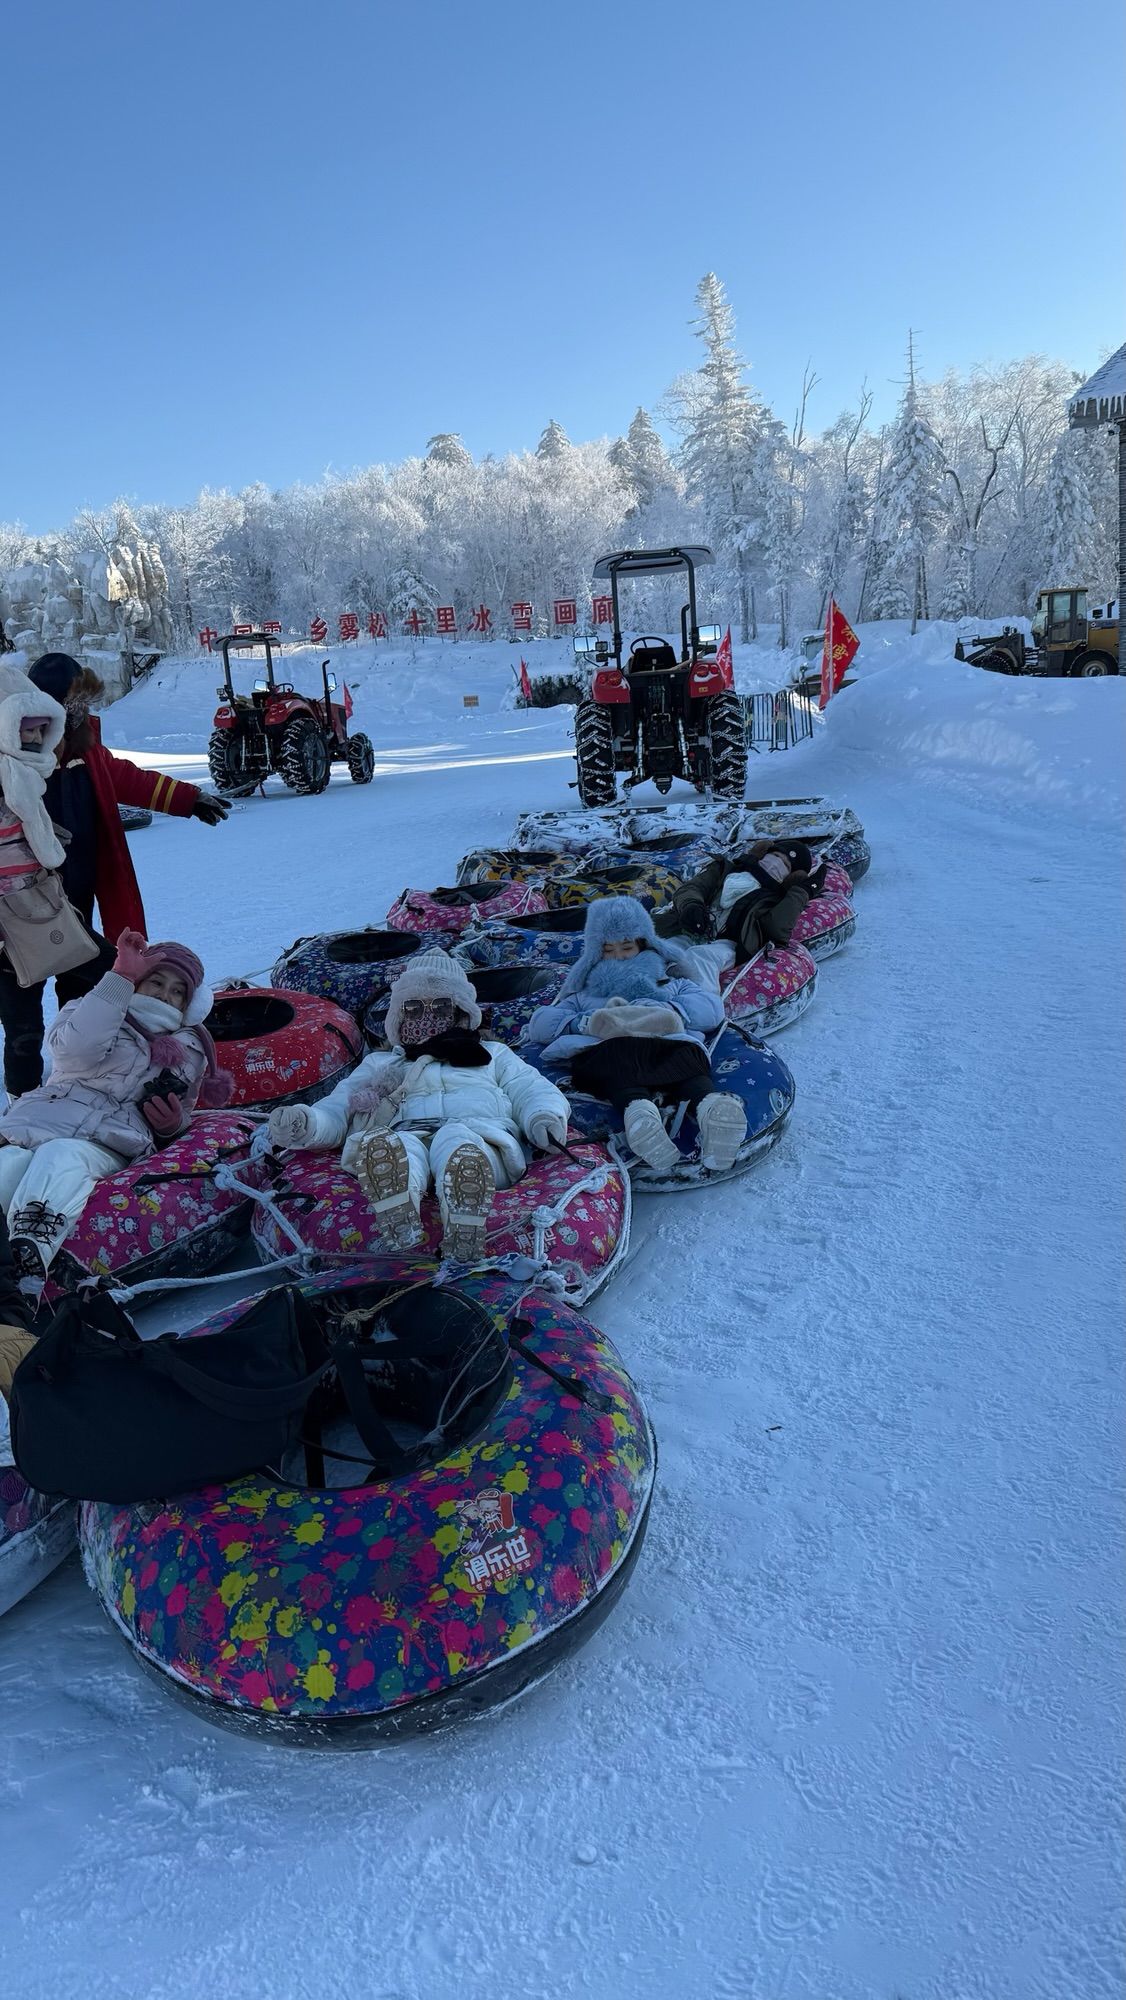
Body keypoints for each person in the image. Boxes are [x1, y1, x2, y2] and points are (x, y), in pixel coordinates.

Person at [0, 652, 230, 1101]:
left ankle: (75, 1082)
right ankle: (22, 1105)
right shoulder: (13, 765)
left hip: (74, 909)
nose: (76, 715)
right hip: (14, 920)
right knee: (23, 1025)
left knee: (86, 1002)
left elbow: (130, 779)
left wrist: (189, 799)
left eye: (80, 705)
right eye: (68, 705)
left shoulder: (89, 753)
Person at [267, 947, 571, 1261]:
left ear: (460, 1012)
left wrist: (543, 1117)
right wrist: (308, 1122)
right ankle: (399, 1205)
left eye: (441, 1006)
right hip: (408, 1131)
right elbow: (339, 1106)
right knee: (396, 1146)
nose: (427, 1017)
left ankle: (464, 1202)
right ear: (398, 1017)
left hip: (482, 1136)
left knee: (457, 1140)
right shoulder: (383, 1063)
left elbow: (530, 1088)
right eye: (413, 1008)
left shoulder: (491, 1054)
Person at [0, 930, 232, 1283]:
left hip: (108, 1142)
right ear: (138, 980)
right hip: (41, 1120)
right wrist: (119, 979)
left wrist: (171, 1125)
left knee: (62, 1156)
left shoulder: (190, 1048)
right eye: (157, 982)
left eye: (177, 991)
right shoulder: (89, 1008)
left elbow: (186, 1110)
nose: (164, 995)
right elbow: (77, 1050)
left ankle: (28, 1253)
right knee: (10, 1162)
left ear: (189, 1004)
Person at [523, 896, 747, 1173]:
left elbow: (711, 1010)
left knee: (686, 1057)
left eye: (627, 947)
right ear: (595, 953)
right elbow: (541, 1024)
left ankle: (712, 1109)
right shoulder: (585, 993)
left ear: (645, 944)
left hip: (666, 1042)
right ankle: (640, 1116)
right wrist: (585, 1023)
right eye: (608, 949)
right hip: (610, 1048)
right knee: (613, 1062)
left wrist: (668, 1010)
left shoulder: (669, 982)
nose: (618, 956)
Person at [654, 838, 822, 984]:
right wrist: (691, 906)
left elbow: (777, 929)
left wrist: (802, 892)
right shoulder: (724, 869)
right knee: (663, 950)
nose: (775, 863)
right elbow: (692, 888)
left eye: (784, 865)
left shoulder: (776, 899)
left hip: (729, 944)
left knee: (700, 958)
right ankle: (647, 991)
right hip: (692, 930)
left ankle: (696, 1005)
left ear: (791, 876)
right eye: (775, 856)